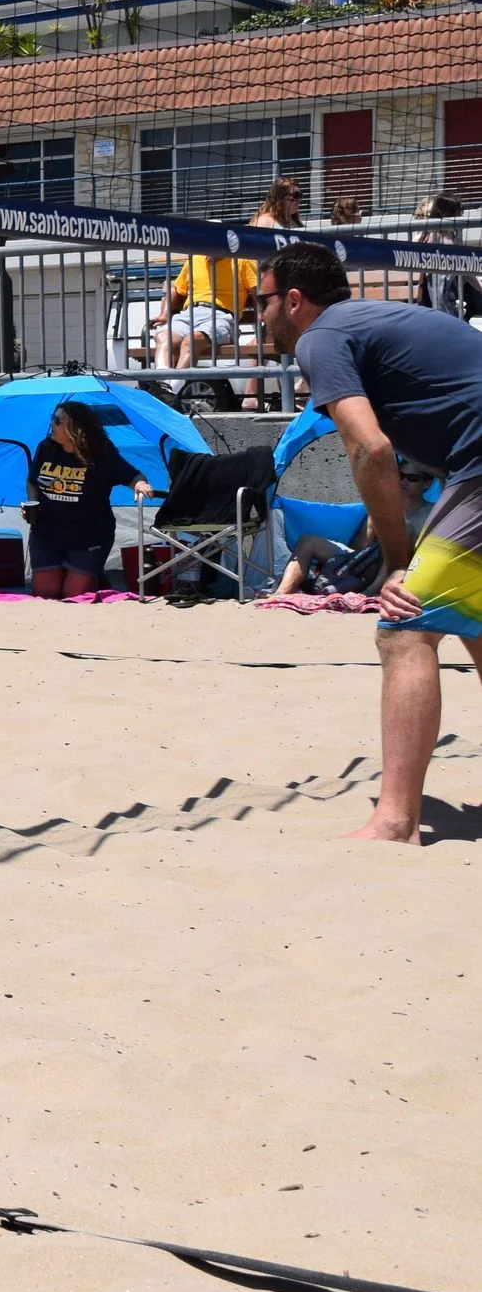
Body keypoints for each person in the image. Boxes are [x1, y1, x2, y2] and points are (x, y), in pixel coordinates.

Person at [257, 239, 482, 842]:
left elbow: (370, 448)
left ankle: (395, 821)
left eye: (262, 301)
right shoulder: (380, 321)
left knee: (405, 627)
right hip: (470, 466)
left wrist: (396, 560)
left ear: (294, 300)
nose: (260, 315)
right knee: (477, 624)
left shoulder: (321, 338)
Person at [23, 399, 152, 599]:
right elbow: (32, 481)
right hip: (47, 534)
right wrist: (33, 503)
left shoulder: (100, 453)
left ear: (76, 429)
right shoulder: (46, 447)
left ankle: (92, 574)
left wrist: (140, 485)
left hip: (89, 535)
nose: (52, 424)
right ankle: (79, 572)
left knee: (74, 595)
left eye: (58, 420)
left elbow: (133, 476)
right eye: (52, 418)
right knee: (46, 593)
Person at [276, 463, 431, 597]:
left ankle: (372, 591)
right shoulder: (382, 508)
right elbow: (360, 547)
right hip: (368, 563)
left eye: (412, 478)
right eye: (401, 475)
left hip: (404, 568)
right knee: (308, 541)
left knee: (404, 527)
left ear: (427, 484)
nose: (404, 481)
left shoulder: (432, 513)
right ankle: (281, 593)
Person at [414, 196, 478, 319]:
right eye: (459, 212)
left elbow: (465, 269)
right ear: (448, 214)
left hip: (448, 295)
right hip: (437, 298)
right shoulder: (430, 235)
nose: (461, 216)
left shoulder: (451, 237)